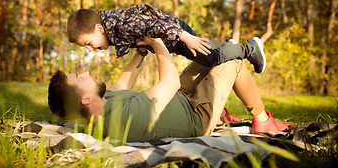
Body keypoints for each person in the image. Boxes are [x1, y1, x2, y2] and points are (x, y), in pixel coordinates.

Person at [48, 36, 288, 142]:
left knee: (209, 58)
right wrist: (158, 44)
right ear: (86, 99)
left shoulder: (99, 110)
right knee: (233, 62)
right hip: (197, 117)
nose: (87, 73)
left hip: (180, 99)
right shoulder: (123, 119)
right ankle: (262, 118)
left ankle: (223, 104)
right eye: (81, 77)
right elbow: (170, 82)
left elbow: (123, 84)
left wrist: (141, 51)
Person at [67, 4, 266, 74]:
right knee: (205, 48)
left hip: (176, 35)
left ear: (99, 28)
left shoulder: (119, 26)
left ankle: (249, 48)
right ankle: (228, 47)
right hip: (174, 37)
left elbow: (154, 26)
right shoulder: (113, 27)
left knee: (209, 60)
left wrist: (185, 36)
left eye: (89, 44)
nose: (91, 49)